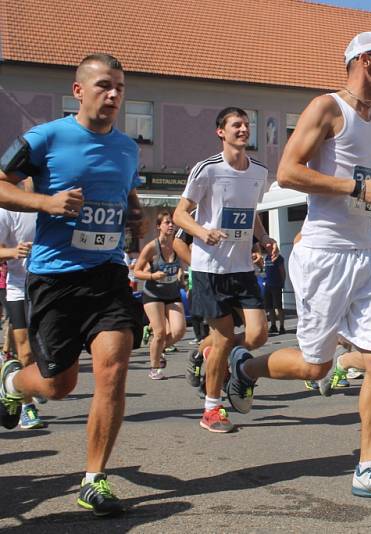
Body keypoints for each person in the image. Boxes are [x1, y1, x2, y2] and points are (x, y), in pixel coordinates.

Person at [222, 32, 371, 503]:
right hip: (324, 256)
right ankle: (246, 369)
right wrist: (355, 190)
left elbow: (360, 185)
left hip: (367, 251)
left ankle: (369, 467)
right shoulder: (326, 107)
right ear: (366, 61)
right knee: (316, 367)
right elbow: (288, 171)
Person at [0, 53, 144, 515]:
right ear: (78, 91)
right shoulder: (45, 138)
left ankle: (93, 479)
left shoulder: (128, 147)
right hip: (55, 277)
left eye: (120, 87)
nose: (114, 94)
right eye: (104, 85)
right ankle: (12, 382)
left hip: (106, 275)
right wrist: (45, 201)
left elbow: (124, 186)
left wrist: (133, 208)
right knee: (58, 385)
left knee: (113, 370)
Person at [172, 106, 270, 433]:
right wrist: (203, 233)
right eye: (236, 125)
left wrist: (264, 237)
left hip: (242, 267)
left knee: (257, 334)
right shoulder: (207, 170)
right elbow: (180, 215)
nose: (243, 129)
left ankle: (208, 352)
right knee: (226, 336)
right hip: (209, 267)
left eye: (246, 124)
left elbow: (251, 212)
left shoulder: (258, 171)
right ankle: (211, 409)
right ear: (221, 132)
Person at [0, 181, 40, 428]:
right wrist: (14, 251)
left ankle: (15, 379)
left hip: (51, 287)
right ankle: (27, 406)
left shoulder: (54, 206)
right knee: (24, 350)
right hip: (18, 288)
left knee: (48, 352)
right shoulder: (9, 209)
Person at [133, 210, 186, 380]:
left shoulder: (178, 245)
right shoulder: (151, 247)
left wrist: (180, 274)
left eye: (172, 222)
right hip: (153, 294)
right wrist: (152, 276)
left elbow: (181, 264)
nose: (171, 225)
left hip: (172, 293)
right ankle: (154, 367)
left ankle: (159, 349)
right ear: (159, 227)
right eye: (167, 222)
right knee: (160, 332)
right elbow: (136, 271)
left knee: (179, 331)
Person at [263, 248, 286, 335]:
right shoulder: (267, 258)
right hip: (267, 285)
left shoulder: (279, 258)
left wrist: (282, 283)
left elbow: (282, 271)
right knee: (269, 307)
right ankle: (273, 326)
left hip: (276, 285)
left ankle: (282, 326)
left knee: (278, 306)